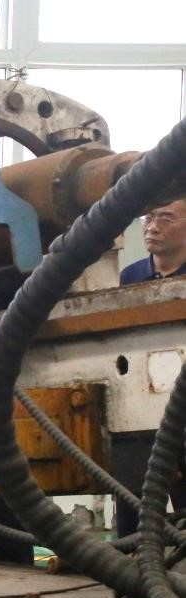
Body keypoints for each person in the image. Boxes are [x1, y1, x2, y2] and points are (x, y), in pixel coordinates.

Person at [114, 198, 186, 536]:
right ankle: (131, 560)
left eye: (166, 219)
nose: (153, 227)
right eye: (149, 218)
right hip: (138, 407)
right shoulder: (130, 277)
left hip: (181, 405)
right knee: (132, 501)